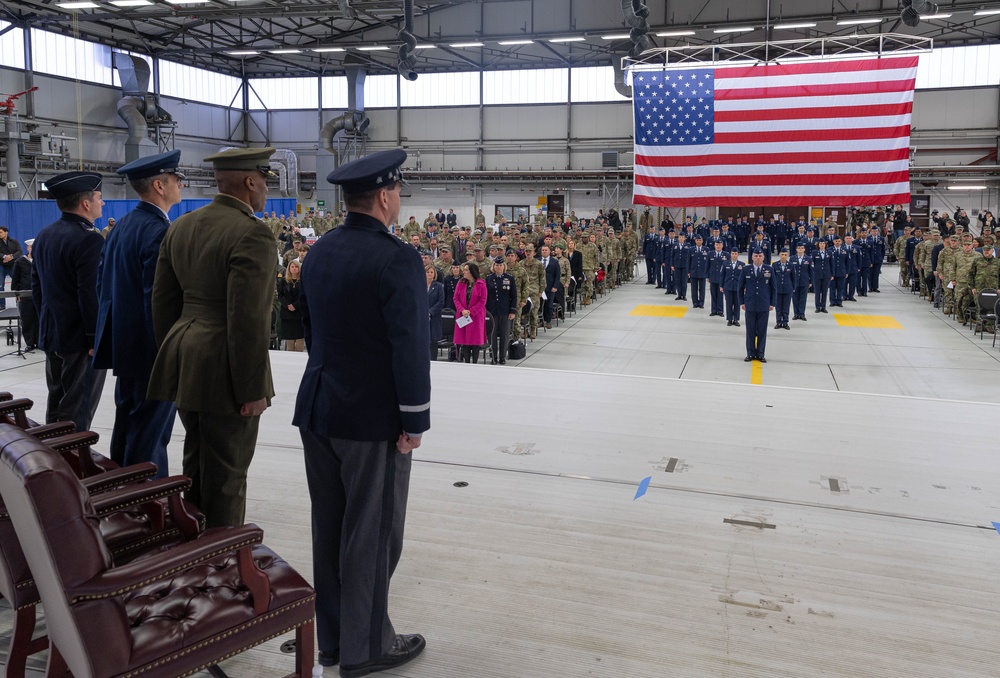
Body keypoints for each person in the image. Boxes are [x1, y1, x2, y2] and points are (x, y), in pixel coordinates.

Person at [294, 149, 429, 676]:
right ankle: (367, 646)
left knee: (328, 529)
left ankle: (333, 640)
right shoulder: (396, 258)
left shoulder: (320, 250)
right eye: (398, 192)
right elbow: (409, 346)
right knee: (371, 534)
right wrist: (414, 418)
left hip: (319, 407)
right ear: (383, 196)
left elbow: (307, 322)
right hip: (373, 420)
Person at [149, 147, 278, 528]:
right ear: (251, 182)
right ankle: (222, 565)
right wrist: (252, 388)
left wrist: (175, 355)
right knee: (228, 474)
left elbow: (162, 303)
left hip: (186, 355)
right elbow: (249, 319)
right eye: (265, 180)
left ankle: (194, 547)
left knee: (197, 461)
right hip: (224, 366)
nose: (266, 188)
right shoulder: (252, 233)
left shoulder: (182, 225)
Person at [94, 150, 185, 478]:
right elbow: (157, 300)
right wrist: (168, 352)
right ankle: (148, 509)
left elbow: (103, 286)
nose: (181, 184)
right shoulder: (159, 230)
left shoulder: (124, 226)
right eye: (176, 179)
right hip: (152, 352)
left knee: (128, 424)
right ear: (159, 185)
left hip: (126, 346)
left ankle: (119, 495)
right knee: (150, 434)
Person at [31, 171, 107, 431]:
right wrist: (95, 338)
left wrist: (45, 326)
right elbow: (89, 293)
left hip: (53, 334)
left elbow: (37, 287)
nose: (102, 203)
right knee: (77, 412)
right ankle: (71, 466)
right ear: (86, 203)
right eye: (99, 197)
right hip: (79, 340)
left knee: (56, 405)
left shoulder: (45, 235)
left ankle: (51, 463)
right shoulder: (89, 238)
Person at [739, 249, 776, 363]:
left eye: (760, 256)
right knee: (750, 330)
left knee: (762, 331)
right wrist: (742, 302)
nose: (758, 258)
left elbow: (773, 288)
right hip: (750, 304)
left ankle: (760, 354)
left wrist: (772, 303)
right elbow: (740, 287)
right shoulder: (746, 269)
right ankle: (750, 353)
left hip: (764, 304)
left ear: (763, 257)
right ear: (752, 257)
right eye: (756, 256)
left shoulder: (769, 269)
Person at [485, 255, 517, 365]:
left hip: (505, 311)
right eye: (497, 265)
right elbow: (486, 296)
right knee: (492, 335)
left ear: (504, 266)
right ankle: (493, 356)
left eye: (501, 265)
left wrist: (512, 311)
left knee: (504, 334)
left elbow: (514, 296)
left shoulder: (509, 278)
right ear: (494, 266)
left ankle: (502, 356)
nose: (499, 267)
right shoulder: (489, 279)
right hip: (492, 311)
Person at [453, 262, 487, 363]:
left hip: (476, 316)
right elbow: (455, 298)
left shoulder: (481, 284)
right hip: (463, 314)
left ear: (472, 272)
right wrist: (462, 310)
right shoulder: (461, 283)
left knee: (475, 341)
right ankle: (466, 362)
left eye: (466, 270)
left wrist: (471, 311)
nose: (464, 272)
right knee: (465, 341)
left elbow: (483, 300)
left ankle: (475, 362)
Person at [10, 238, 36, 350]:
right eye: (31, 247)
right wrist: (17, 294)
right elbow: (15, 280)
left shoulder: (41, 260)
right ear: (28, 248)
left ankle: (40, 341)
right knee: (27, 319)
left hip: (39, 294)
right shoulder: (20, 262)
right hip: (25, 295)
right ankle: (30, 342)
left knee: (40, 318)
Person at [279, 259, 305, 351]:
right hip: (287, 313)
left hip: (299, 312)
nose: (294, 269)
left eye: (296, 267)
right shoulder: (283, 281)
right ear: (289, 268)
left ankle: (299, 357)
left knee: (299, 337)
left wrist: (295, 305)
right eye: (292, 267)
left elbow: (304, 295)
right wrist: (288, 305)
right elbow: (280, 295)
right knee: (289, 338)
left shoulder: (303, 281)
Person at [0, 226, 22, 310]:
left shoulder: (14, 242)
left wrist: (11, 257)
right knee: (0, 285)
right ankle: (2, 304)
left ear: (6, 232)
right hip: (1, 266)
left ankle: (19, 302)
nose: (0, 234)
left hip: (13, 265)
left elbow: (19, 251)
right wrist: (4, 256)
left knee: (17, 284)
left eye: (1, 232)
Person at [539, 244, 560, 329]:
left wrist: (555, 286)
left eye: (546, 250)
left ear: (549, 252)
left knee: (549, 304)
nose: (544, 251)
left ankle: (548, 321)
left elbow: (557, 275)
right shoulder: (537, 261)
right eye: (543, 250)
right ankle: (541, 321)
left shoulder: (554, 261)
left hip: (550, 286)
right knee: (540, 305)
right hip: (539, 287)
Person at [426, 263, 444, 360]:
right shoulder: (420, 285)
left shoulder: (438, 286)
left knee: (433, 340)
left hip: (434, 317)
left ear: (434, 274)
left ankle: (433, 360)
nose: (429, 274)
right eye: (427, 272)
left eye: (431, 272)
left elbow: (440, 301)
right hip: (422, 316)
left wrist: (430, 312)